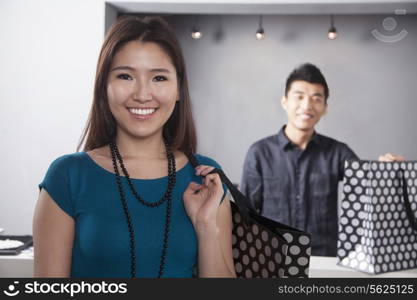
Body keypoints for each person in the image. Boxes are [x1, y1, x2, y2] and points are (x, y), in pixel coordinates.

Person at [33, 16, 236, 278]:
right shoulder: (68, 176)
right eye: (125, 76)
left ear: (178, 90)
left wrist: (206, 226)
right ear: (104, 86)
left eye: (159, 78)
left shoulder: (205, 176)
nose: (142, 94)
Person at [240, 63, 404, 256]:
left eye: (316, 98)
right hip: (272, 256)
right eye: (299, 96)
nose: (307, 105)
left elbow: (369, 181)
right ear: (284, 101)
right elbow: (246, 214)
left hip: (323, 257)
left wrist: (388, 170)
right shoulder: (259, 153)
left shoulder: (337, 151)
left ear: (325, 107)